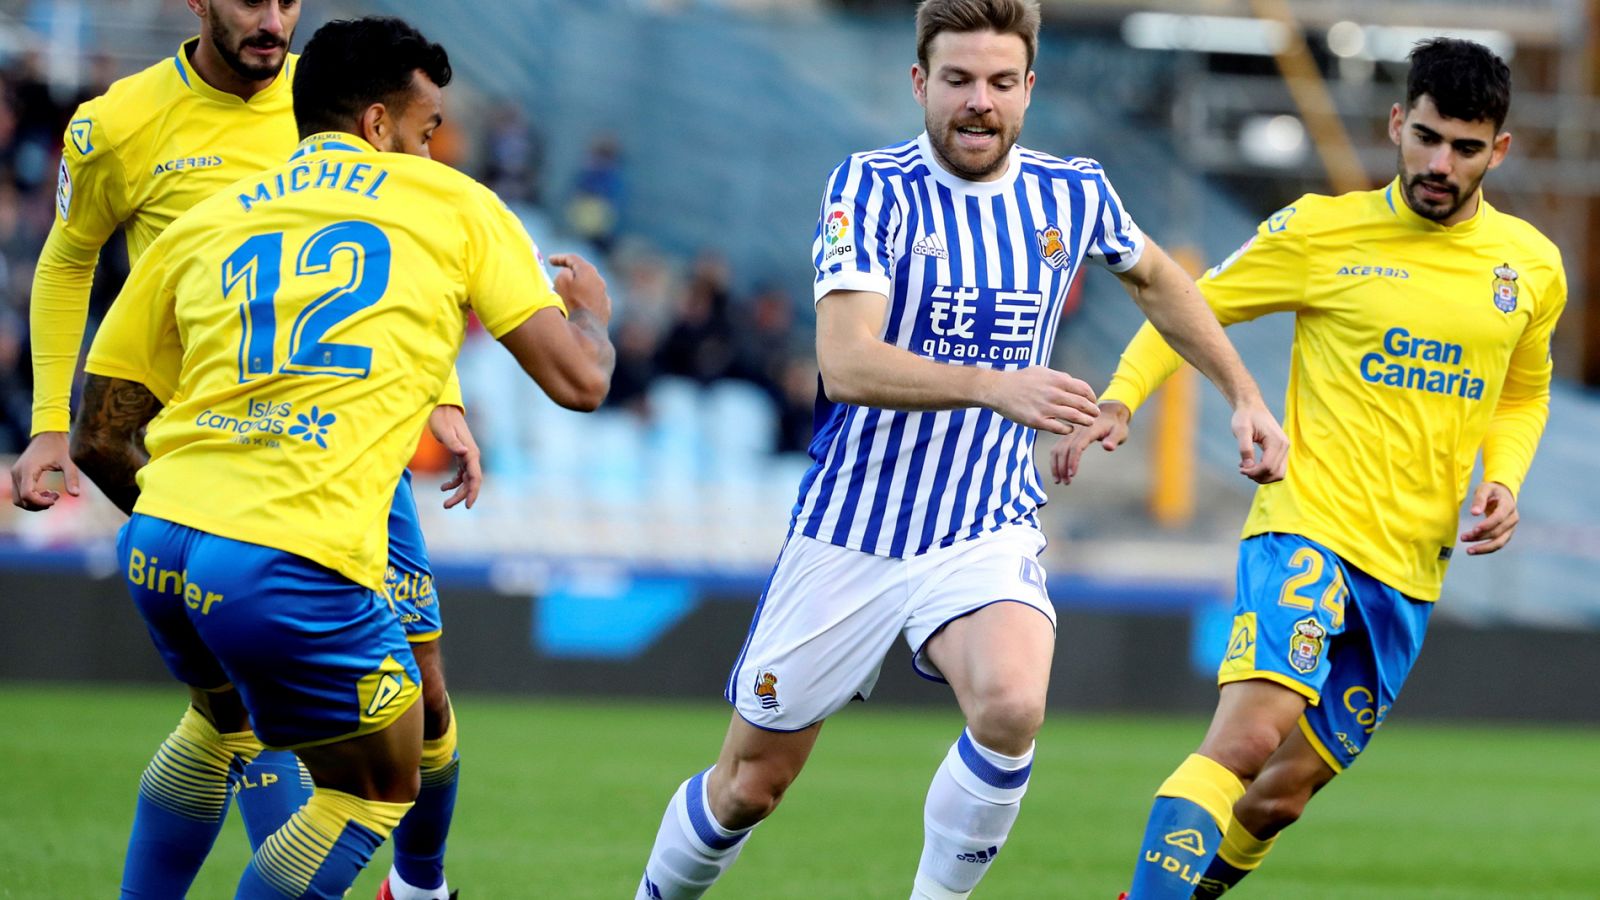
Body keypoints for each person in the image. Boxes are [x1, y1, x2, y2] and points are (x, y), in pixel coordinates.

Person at [634, 2, 1286, 898]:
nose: (979, 102)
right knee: (750, 787)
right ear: (919, 83)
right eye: (958, 81)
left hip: (981, 524)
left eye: (999, 82)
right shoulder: (870, 188)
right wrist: (993, 384)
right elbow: (846, 360)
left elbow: (1159, 278)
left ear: (1028, 89)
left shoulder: (1072, 192)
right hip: (853, 530)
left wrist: (1242, 394)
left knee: (1013, 705)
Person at [70, 16, 614, 898]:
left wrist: (204, 532)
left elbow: (99, 435)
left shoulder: (205, 221)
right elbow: (581, 382)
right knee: (374, 791)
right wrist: (594, 311)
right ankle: (420, 885)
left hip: (162, 543)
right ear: (375, 123)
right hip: (288, 559)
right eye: (426, 129)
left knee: (218, 731)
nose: (434, 151)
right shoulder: (456, 206)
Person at [1055, 38, 1565, 900]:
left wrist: (1505, 479)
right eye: (1428, 137)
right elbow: (1190, 305)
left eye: (1466, 148)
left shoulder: (1531, 267)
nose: (1441, 163)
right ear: (1398, 123)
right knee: (1250, 738)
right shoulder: (1322, 231)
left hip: (1410, 570)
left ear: (1499, 150)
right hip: (1308, 528)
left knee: (1280, 795)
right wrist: (1124, 393)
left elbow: (1524, 392)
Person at [9, 4, 479, 896]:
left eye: (288, 1)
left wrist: (442, 395)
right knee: (257, 722)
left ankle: (419, 887)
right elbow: (69, 259)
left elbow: (400, 255)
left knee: (419, 700)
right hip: (216, 459)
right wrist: (48, 421)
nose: (272, 19)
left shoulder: (331, 98)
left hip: (352, 452)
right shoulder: (117, 124)